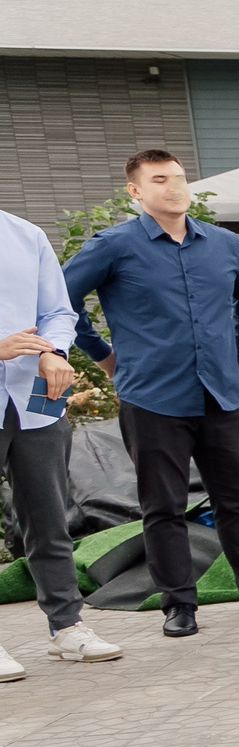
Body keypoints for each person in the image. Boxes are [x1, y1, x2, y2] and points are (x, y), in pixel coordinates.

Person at [61, 150, 239, 638]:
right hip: (152, 397)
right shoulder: (112, 246)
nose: (175, 187)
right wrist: (104, 357)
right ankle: (179, 604)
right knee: (163, 506)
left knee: (237, 497)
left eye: (180, 178)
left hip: (219, 396)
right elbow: (60, 300)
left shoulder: (223, 244)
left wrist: (231, 365)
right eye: (160, 180)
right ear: (135, 192)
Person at [0, 208, 119, 675]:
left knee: (49, 514)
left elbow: (57, 312)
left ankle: (67, 627)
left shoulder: (24, 235)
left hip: (37, 394)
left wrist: (54, 352)